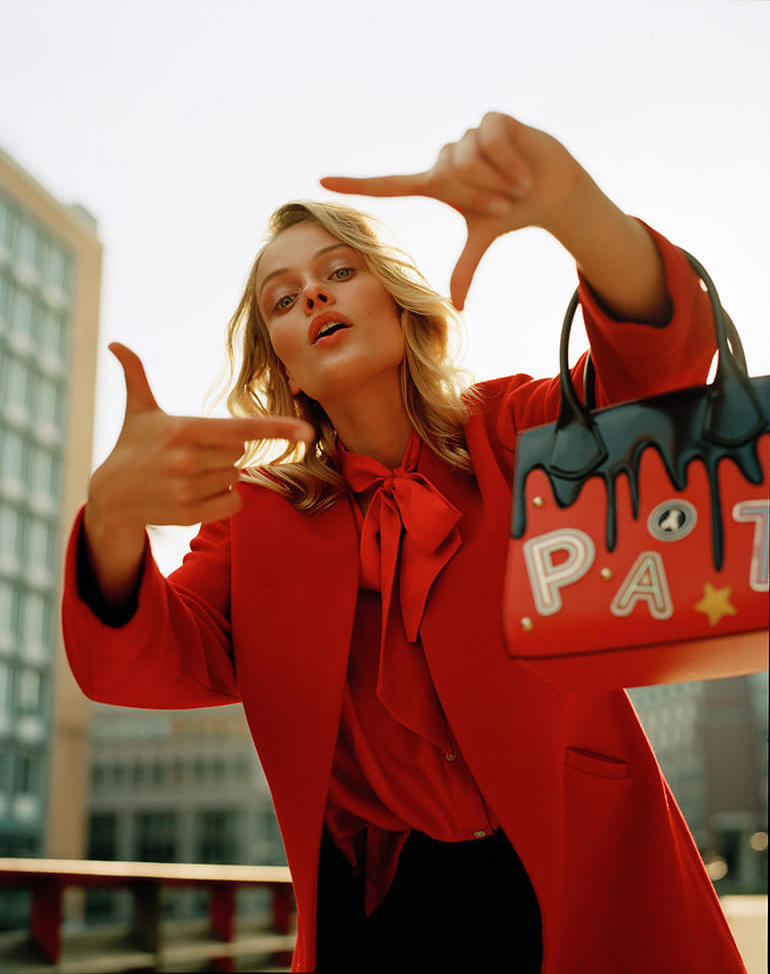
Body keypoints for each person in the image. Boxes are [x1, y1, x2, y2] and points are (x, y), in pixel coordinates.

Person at [62, 112, 747, 973]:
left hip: (581, 876)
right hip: (384, 919)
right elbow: (144, 661)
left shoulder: (513, 430)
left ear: (397, 300)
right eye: (283, 299)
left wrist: (576, 208)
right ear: (282, 363)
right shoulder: (253, 518)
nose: (313, 296)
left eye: (338, 271)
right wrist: (113, 521)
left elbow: (658, 370)